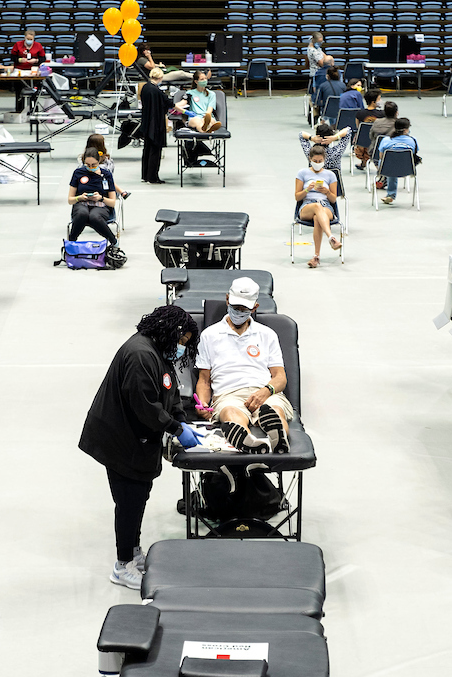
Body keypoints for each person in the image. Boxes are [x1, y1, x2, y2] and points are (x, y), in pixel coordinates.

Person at [80, 305, 201, 589]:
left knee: (139, 496)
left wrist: (181, 418)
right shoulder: (140, 355)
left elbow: (168, 391)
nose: (182, 348)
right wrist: (175, 428)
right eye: (182, 341)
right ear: (170, 332)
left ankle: (133, 551)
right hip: (119, 438)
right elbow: (144, 405)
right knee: (129, 502)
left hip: (137, 438)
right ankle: (122, 566)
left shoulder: (158, 352)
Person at [195, 277, 293, 454]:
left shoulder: (267, 335)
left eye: (244, 309)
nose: (239, 312)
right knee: (231, 413)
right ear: (227, 300)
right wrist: (202, 403)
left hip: (264, 391)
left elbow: (280, 377)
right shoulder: (209, 335)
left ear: (255, 307)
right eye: (235, 307)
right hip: (228, 393)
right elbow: (204, 380)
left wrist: (266, 391)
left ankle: (279, 437)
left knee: (273, 410)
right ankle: (248, 442)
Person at [296, 144, 341, 269]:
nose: (317, 163)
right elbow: (297, 197)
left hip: (326, 205)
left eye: (320, 161)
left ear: (324, 160)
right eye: (315, 161)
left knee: (318, 218)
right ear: (310, 159)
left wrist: (326, 191)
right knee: (316, 207)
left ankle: (316, 256)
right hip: (307, 205)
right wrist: (307, 189)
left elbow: (333, 199)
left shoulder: (330, 175)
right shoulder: (302, 173)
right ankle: (331, 237)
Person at [68, 148, 119, 245]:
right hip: (81, 203)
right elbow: (70, 200)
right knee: (82, 214)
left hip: (101, 204)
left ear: (99, 162)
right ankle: (72, 241)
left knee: (94, 217)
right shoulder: (78, 173)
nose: (91, 167)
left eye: (94, 165)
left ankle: (113, 241)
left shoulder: (106, 175)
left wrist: (101, 198)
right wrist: (80, 198)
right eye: (88, 165)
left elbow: (112, 202)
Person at [299, 122, 351, 196]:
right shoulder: (336, 152)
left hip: (314, 191)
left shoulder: (311, 154)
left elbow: (301, 134)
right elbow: (348, 130)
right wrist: (335, 137)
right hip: (333, 191)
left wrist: (312, 138)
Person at [376, 117, 418, 206]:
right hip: (408, 169)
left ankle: (390, 193)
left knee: (389, 163)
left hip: (387, 169)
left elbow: (381, 156)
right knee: (397, 163)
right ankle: (391, 194)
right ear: (406, 130)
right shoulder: (413, 140)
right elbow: (413, 154)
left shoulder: (386, 140)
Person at [139, 67, 168, 184]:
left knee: (147, 150)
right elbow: (167, 103)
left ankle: (145, 175)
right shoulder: (156, 91)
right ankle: (153, 177)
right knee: (155, 151)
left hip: (146, 123)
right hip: (155, 124)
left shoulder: (145, 87)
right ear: (160, 78)